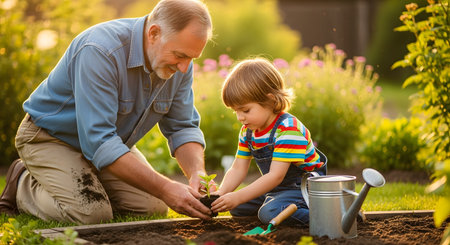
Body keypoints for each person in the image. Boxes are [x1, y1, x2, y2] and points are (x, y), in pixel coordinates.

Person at [0, 0, 215, 224]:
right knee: (90, 215)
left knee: (152, 207)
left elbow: (182, 126)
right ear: (154, 33)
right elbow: (99, 141)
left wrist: (197, 172)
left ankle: (82, 183)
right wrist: (165, 187)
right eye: (180, 55)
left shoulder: (180, 65)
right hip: (51, 139)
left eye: (192, 58)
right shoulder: (100, 50)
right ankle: (22, 183)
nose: (184, 67)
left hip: (109, 146)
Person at [211, 58, 327, 225]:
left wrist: (237, 196)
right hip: (278, 189)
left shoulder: (288, 129)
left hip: (305, 188)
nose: (239, 117)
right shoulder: (248, 131)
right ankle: (279, 206)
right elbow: (238, 168)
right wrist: (222, 193)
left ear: (271, 100)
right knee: (237, 208)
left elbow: (275, 176)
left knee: (269, 212)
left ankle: (333, 215)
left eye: (245, 110)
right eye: (235, 111)